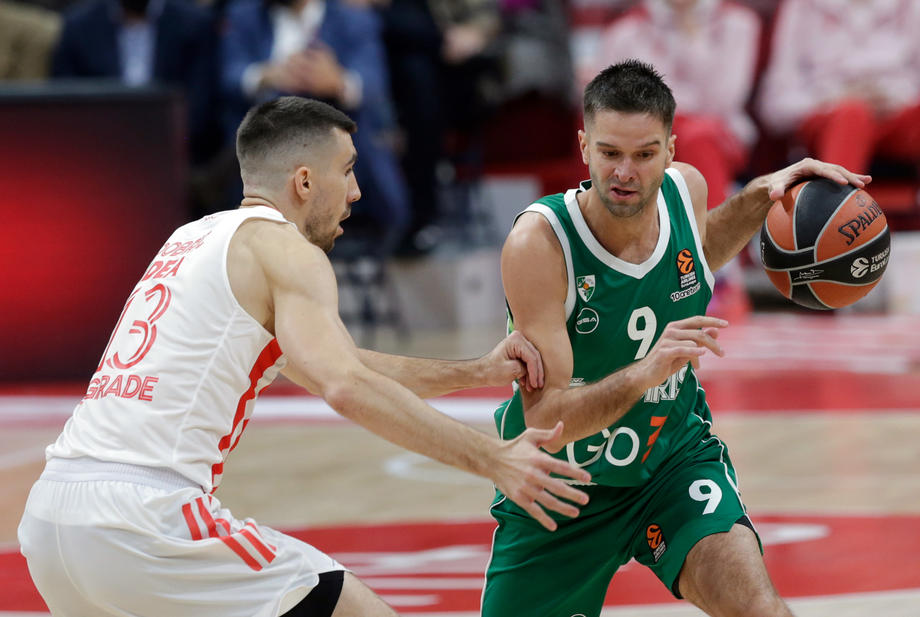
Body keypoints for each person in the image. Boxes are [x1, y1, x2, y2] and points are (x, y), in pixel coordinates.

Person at [17, 96, 592, 617]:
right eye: (348, 170)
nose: (357, 191)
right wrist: (494, 458)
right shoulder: (286, 250)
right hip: (146, 518)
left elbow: (343, 364)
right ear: (304, 181)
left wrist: (479, 371)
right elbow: (345, 386)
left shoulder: (191, 239)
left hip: (51, 519)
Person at [481, 60, 869, 617]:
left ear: (669, 150)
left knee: (758, 609)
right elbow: (545, 419)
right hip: (557, 488)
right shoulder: (539, 245)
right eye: (610, 153)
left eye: (644, 154)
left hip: (671, 464)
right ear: (584, 147)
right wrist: (645, 372)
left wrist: (762, 194)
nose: (625, 172)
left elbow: (694, 256)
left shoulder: (686, 191)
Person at [586, 0, 762, 321]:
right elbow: (610, 106)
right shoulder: (626, 31)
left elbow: (721, 100)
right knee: (632, 150)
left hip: (719, 136)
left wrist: (690, 39)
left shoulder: (738, 23)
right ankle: (626, 273)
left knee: (698, 137)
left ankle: (720, 276)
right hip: (648, 137)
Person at [221, 0, 409, 254]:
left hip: (338, 133)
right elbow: (229, 74)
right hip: (270, 131)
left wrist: (338, 81)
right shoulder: (244, 15)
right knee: (261, 119)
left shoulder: (353, 20)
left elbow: (373, 82)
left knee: (355, 127)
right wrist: (266, 75)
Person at [757, 0, 920, 175]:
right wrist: (836, 100)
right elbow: (776, 104)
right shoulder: (801, 6)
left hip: (896, 114)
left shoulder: (911, 5)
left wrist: (893, 98)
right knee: (852, 114)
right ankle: (837, 192)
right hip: (829, 115)